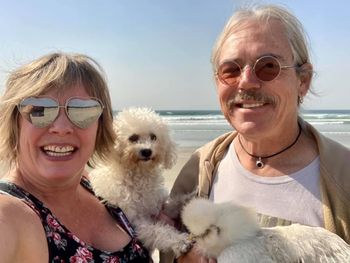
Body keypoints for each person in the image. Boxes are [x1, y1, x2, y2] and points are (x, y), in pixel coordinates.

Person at [160, 4, 350, 263]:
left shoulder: (344, 177)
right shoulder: (198, 171)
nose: (246, 81)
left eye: (268, 66)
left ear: (303, 80)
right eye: (231, 70)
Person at [0, 52, 152, 262]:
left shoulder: (96, 188)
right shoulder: (9, 213)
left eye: (82, 111)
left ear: (100, 125)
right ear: (14, 123)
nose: (62, 128)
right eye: (41, 110)